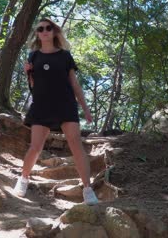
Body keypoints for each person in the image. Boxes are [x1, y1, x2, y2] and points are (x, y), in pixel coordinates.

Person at [13, 18, 99, 205]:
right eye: (40, 29)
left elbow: (74, 84)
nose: (44, 31)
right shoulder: (33, 56)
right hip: (42, 104)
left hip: (65, 104)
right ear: (37, 33)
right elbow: (34, 86)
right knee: (35, 146)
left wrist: (85, 109)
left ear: (54, 31)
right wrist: (28, 72)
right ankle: (23, 179)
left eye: (48, 28)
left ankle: (87, 189)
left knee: (76, 144)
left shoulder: (65, 56)